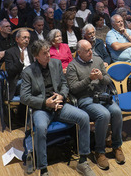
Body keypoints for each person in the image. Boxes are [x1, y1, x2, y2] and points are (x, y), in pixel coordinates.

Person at [20, 40, 94, 176]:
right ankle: (43, 169)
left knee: (84, 117)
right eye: (44, 53)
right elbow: (24, 97)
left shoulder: (56, 63)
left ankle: (83, 161)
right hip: (42, 109)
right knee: (41, 128)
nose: (48, 55)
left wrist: (61, 95)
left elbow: (65, 84)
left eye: (48, 51)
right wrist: (44, 102)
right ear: (36, 56)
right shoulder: (28, 72)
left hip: (59, 105)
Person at [66, 40, 125, 171]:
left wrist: (101, 77)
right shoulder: (72, 66)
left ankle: (116, 146)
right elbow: (73, 89)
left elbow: (108, 80)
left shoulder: (97, 60)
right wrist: (89, 79)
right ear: (79, 52)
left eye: (91, 49)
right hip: (85, 99)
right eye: (87, 50)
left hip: (102, 96)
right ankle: (100, 151)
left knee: (116, 112)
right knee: (103, 115)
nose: (90, 52)